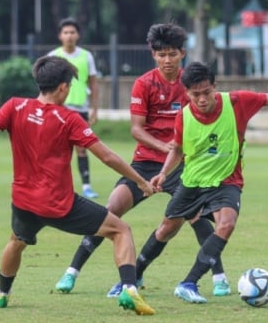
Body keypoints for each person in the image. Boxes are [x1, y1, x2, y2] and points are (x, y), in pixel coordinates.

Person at [0, 56, 155, 315]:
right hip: (60, 205)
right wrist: (140, 181)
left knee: (16, 241)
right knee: (121, 230)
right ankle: (129, 290)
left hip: (24, 202)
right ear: (62, 87)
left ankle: (2, 293)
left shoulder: (15, 106)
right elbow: (107, 156)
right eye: (69, 85)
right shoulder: (69, 119)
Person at [55, 23, 232, 298]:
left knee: (196, 216)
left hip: (181, 166)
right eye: (161, 54)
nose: (167, 60)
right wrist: (166, 147)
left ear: (182, 53)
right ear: (153, 55)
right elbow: (137, 129)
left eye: (172, 54)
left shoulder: (191, 86)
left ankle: (219, 278)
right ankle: (71, 272)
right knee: (110, 210)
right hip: (146, 163)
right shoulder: (144, 83)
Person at [147, 61, 268, 304]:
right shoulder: (184, 116)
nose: (202, 99)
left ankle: (188, 283)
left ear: (215, 87)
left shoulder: (237, 102)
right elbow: (177, 149)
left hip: (227, 180)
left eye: (207, 92)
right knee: (166, 230)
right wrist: (164, 173)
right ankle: (132, 277)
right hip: (193, 182)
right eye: (195, 94)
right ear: (187, 93)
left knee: (226, 224)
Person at [48, 17, 100, 199]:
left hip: (80, 109)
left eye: (72, 32)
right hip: (58, 109)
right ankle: (53, 185)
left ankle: (86, 185)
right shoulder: (52, 56)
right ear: (60, 36)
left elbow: (93, 83)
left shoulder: (87, 56)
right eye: (66, 32)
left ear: (77, 35)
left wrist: (95, 108)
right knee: (55, 149)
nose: (69, 36)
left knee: (82, 148)